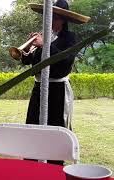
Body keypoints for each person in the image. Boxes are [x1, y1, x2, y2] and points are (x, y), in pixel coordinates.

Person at [21, 0, 90, 165]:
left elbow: (66, 61)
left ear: (63, 19)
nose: (51, 19)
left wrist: (45, 45)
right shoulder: (44, 35)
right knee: (33, 124)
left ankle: (53, 167)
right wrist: (25, 51)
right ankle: (31, 164)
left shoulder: (70, 38)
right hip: (39, 88)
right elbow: (29, 61)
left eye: (56, 17)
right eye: (50, 15)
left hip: (57, 90)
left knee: (54, 128)